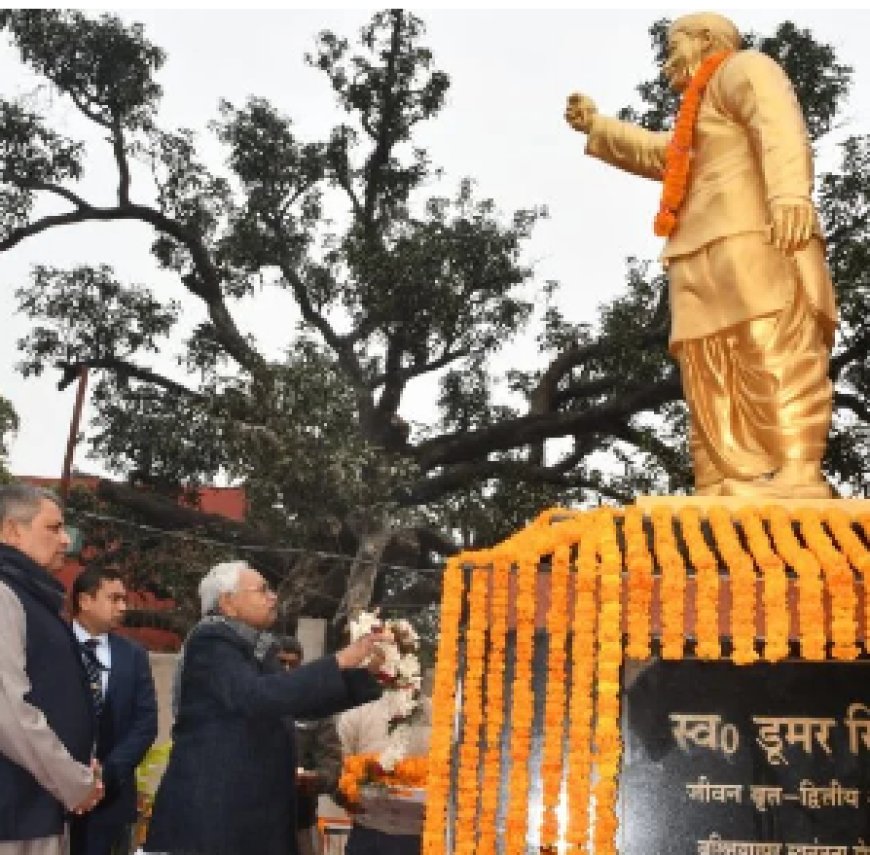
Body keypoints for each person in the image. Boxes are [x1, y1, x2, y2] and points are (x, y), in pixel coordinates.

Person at [565, 12, 837, 499]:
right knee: (703, 363)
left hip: (754, 233)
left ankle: (797, 472)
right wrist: (598, 126)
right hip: (693, 247)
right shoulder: (698, 110)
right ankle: (718, 476)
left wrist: (791, 195)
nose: (667, 58)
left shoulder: (744, 68)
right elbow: (667, 157)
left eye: (674, 45)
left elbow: (778, 124)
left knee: (770, 346)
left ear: (706, 40)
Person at [143, 561, 384, 855]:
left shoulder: (255, 649)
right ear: (227, 603)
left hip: (251, 816)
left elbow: (296, 701)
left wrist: (368, 674)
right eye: (262, 590)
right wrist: (338, 661)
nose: (273, 597)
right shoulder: (211, 642)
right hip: (216, 818)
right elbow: (260, 696)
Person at [0, 483, 103, 855]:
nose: (65, 541)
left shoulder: (31, 596)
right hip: (13, 816)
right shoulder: (4, 594)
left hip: (35, 806)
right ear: (12, 530)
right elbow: (9, 711)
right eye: (54, 528)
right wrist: (75, 781)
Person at [68, 566, 158, 855]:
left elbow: (145, 722)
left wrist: (106, 775)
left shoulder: (133, 655)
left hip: (112, 799)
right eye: (114, 598)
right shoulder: (55, 644)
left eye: (124, 599)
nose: (123, 607)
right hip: (55, 795)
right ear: (85, 600)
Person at [336, 689, 432, 855]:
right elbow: (337, 767)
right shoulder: (358, 711)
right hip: (367, 830)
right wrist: (345, 796)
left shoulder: (439, 714)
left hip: (418, 834)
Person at [275, 637, 343, 855]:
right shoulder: (251, 702)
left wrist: (316, 779)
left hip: (301, 822)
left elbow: (332, 762)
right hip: (253, 824)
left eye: (292, 664)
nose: (286, 670)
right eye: (280, 662)